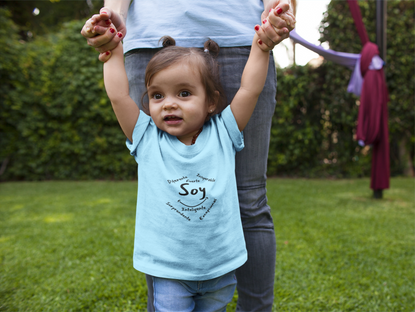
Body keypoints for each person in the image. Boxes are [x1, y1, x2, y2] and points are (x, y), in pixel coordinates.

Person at [82, 1, 295, 311]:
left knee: (251, 200)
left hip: (219, 276)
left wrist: (261, 48)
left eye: (184, 93)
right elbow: (118, 95)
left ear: (212, 102)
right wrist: (113, 50)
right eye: (157, 95)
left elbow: (248, 90)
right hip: (168, 276)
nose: (169, 104)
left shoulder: (225, 132)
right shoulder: (145, 136)